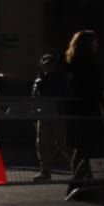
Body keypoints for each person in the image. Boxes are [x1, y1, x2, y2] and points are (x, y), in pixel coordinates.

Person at [60, 29, 104, 200]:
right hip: (89, 113)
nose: (97, 45)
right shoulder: (88, 63)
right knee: (90, 150)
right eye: (95, 42)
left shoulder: (74, 63)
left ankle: (81, 184)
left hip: (78, 114)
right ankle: (79, 184)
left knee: (82, 150)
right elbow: (93, 88)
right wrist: (103, 100)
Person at [30, 52, 68, 183]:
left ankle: (78, 167)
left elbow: (62, 95)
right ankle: (45, 171)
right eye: (45, 64)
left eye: (50, 64)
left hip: (57, 114)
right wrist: (35, 115)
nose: (47, 67)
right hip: (43, 114)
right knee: (42, 144)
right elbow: (35, 98)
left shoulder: (59, 79)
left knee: (63, 143)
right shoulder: (39, 79)